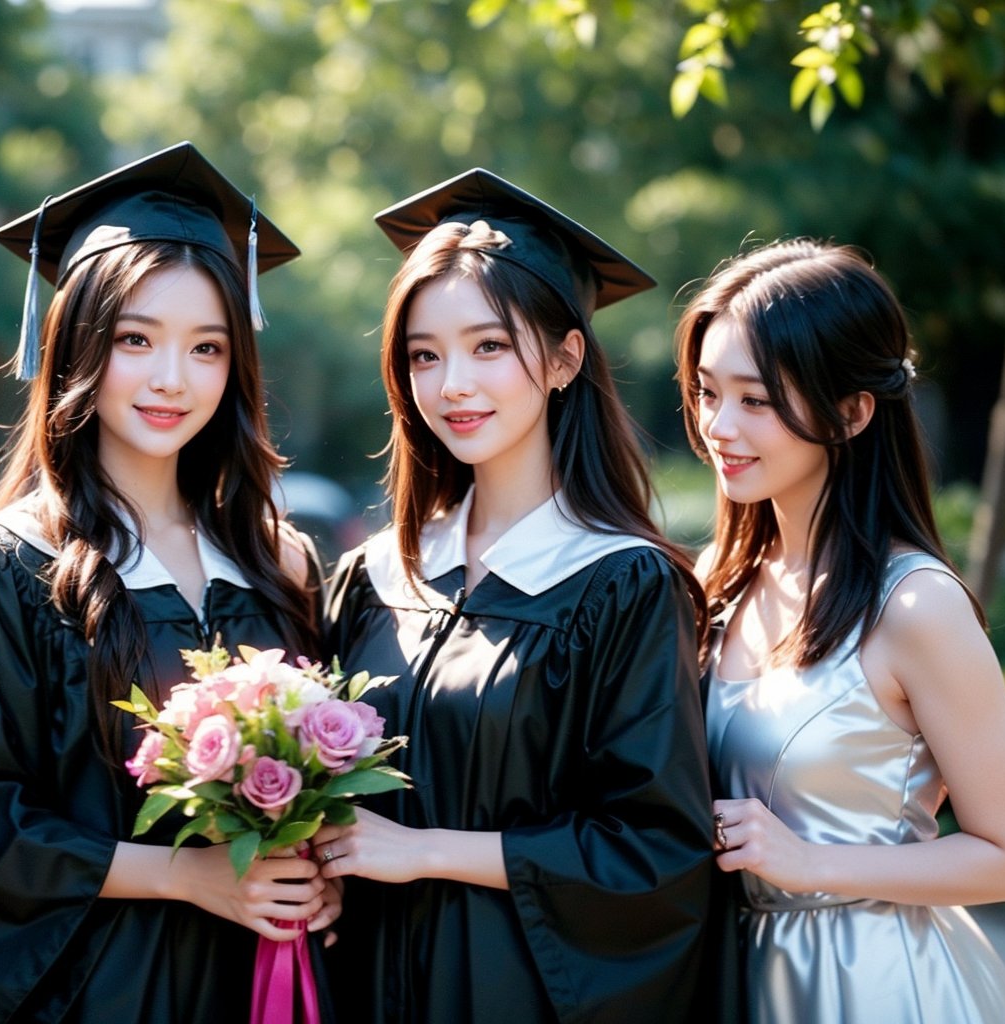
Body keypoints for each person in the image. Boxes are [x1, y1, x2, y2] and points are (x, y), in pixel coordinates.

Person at [0, 142, 334, 1024]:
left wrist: (315, 877)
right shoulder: (8, 565)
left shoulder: (275, 562)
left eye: (206, 346)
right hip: (94, 989)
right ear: (76, 346)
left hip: (259, 983)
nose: (172, 378)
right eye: (136, 339)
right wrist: (186, 876)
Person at [313, 169, 717, 1023]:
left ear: (566, 357)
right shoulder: (377, 575)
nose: (452, 383)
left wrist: (425, 853)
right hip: (368, 985)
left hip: (512, 989)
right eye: (425, 355)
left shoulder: (621, 584)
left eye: (489, 346)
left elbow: (653, 850)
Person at [681, 238, 1005, 1022]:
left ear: (851, 412)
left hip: (876, 982)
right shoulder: (718, 579)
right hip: (734, 976)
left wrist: (810, 861)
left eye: (755, 400)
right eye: (708, 392)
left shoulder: (915, 606)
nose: (719, 425)